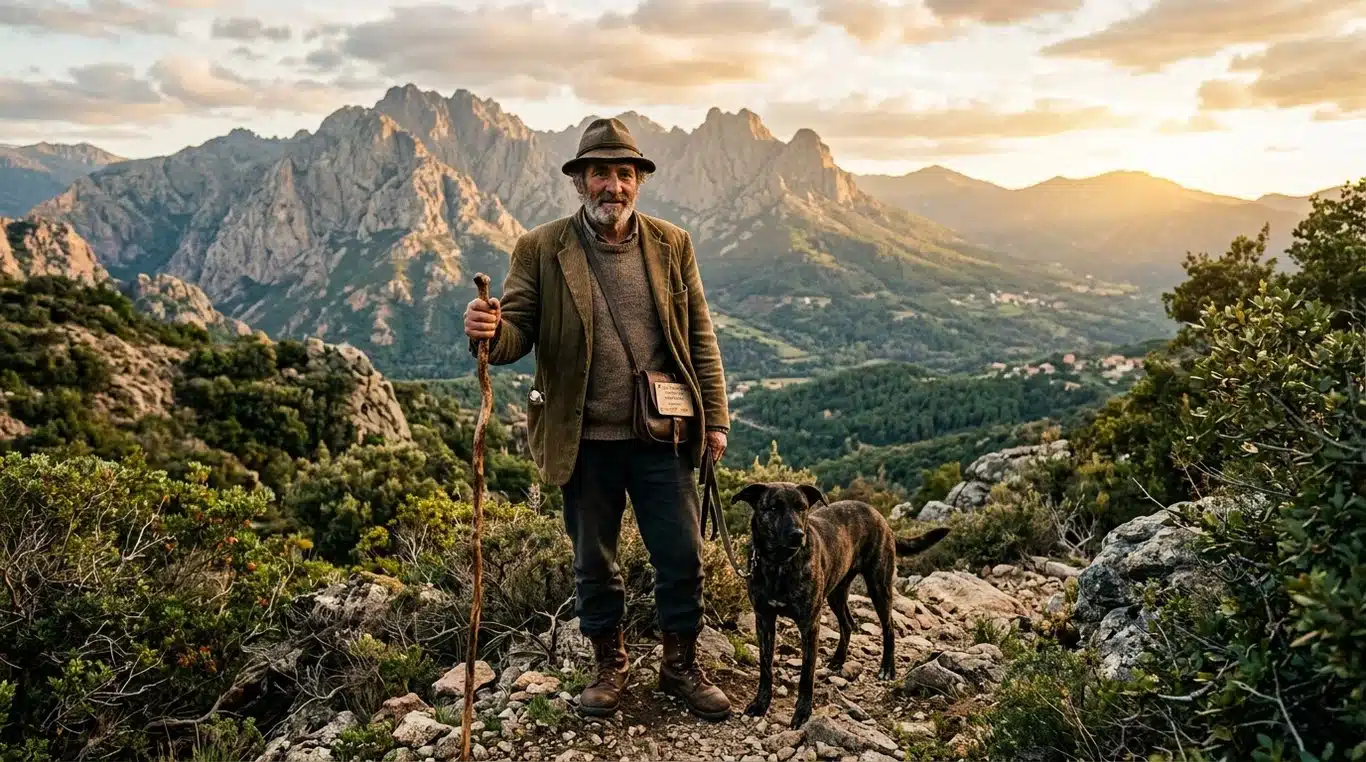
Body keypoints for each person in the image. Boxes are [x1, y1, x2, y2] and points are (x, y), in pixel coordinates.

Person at [463, 117, 732, 720]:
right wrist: (488, 331)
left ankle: (680, 666)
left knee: (683, 556)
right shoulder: (540, 247)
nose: (613, 185)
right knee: (594, 562)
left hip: (663, 435)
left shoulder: (672, 243)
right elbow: (516, 335)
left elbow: (699, 335)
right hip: (584, 440)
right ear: (579, 181)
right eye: (600, 173)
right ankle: (610, 666)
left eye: (624, 173)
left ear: (637, 181)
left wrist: (715, 419)